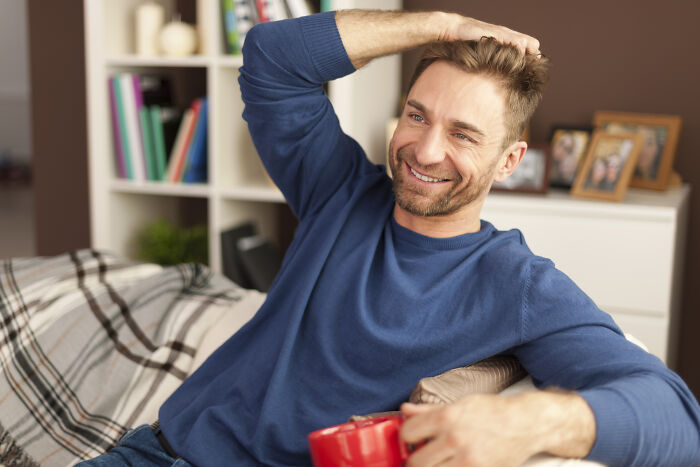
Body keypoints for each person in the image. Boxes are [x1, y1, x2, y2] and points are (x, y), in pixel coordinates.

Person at [81, 9, 700, 467]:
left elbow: (677, 419)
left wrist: (535, 419)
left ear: (509, 161)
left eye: (464, 134)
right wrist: (438, 26)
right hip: (153, 452)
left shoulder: (518, 286)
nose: (425, 150)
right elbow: (271, 56)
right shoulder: (341, 191)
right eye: (416, 114)